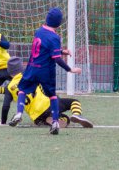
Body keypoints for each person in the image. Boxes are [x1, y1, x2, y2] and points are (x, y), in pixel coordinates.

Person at [9, 7, 82, 135]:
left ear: (46, 19)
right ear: (59, 23)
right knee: (52, 96)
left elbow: (44, 48)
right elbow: (57, 60)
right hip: (45, 71)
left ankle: (19, 113)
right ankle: (55, 123)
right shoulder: (54, 37)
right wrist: (70, 69)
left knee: (22, 90)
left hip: (32, 68)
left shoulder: (39, 31)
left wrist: (61, 50)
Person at [0, 57, 93, 128]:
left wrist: (3, 122)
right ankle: (76, 114)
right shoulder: (29, 75)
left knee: (59, 118)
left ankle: (51, 119)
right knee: (74, 102)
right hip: (47, 105)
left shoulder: (9, 87)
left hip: (36, 117)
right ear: (21, 68)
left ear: (9, 72)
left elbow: (5, 106)